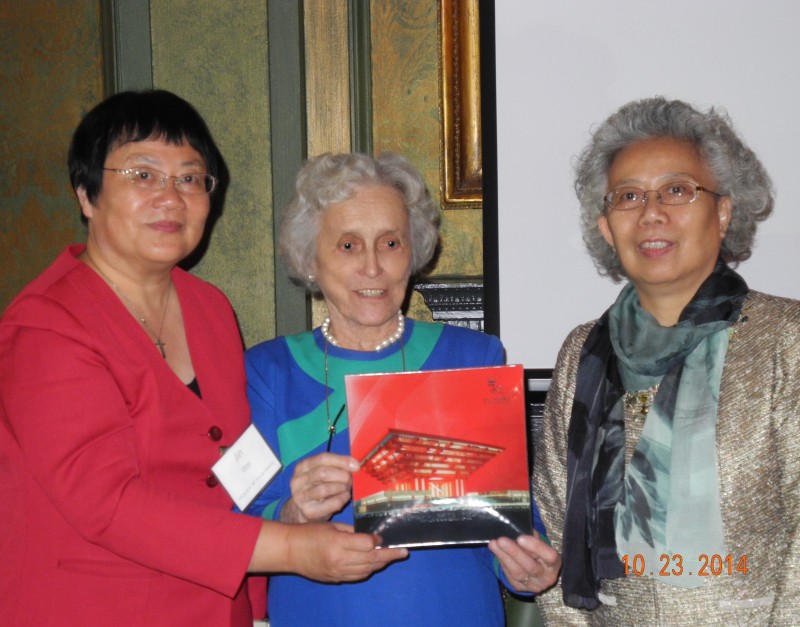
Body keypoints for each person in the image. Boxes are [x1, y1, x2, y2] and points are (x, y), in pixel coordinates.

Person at [0, 90, 406, 626]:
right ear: (87, 193)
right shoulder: (47, 326)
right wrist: (292, 549)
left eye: (190, 178)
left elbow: (232, 467)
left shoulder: (207, 307)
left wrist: (281, 541)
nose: (171, 197)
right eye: (143, 175)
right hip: (93, 607)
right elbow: (108, 504)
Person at [244, 151, 561, 626]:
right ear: (311, 260)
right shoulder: (268, 370)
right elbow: (233, 528)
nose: (373, 267)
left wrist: (527, 566)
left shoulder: (473, 358)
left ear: (413, 252)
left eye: (390, 243)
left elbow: (508, 517)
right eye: (348, 246)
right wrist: (292, 511)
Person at [533, 97, 800, 624]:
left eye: (677, 190)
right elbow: (556, 527)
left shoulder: (786, 340)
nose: (651, 212)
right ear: (608, 227)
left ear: (723, 212)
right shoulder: (581, 354)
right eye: (628, 196)